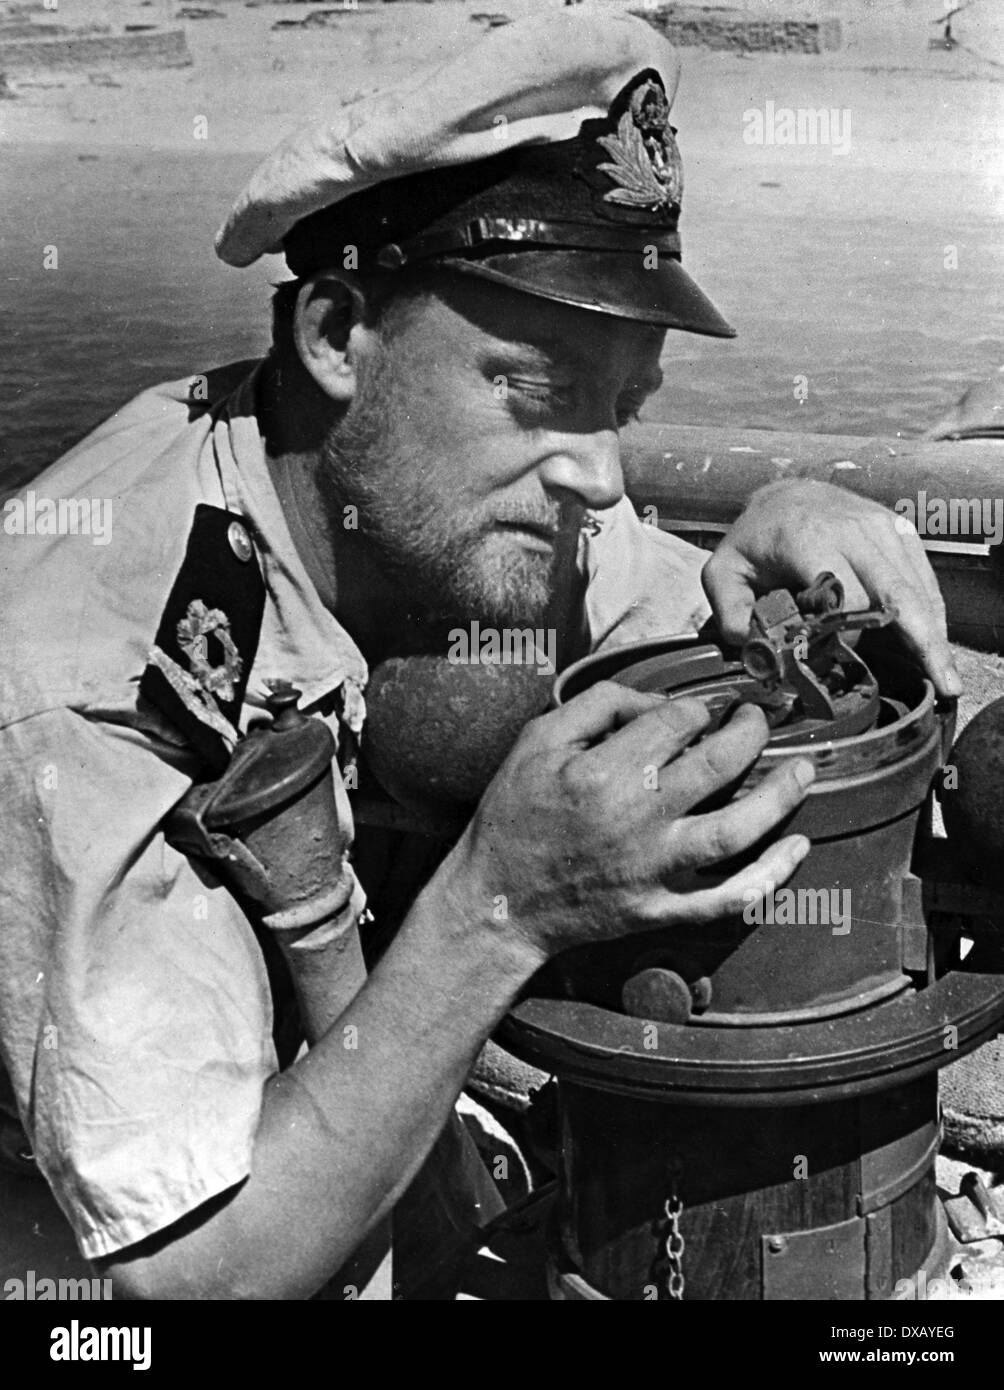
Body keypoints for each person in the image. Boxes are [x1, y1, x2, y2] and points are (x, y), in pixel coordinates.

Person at [0, 9, 958, 1300]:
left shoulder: (439, 494)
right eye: (539, 387)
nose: (601, 476)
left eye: (623, 404)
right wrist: (500, 904)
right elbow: (192, 1276)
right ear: (336, 336)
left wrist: (759, 546)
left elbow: (647, 609)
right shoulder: (92, 673)